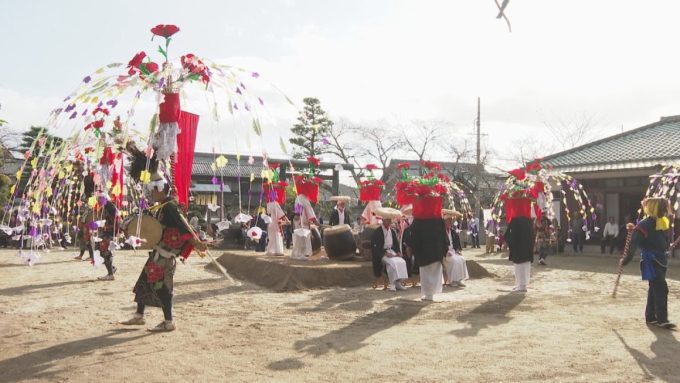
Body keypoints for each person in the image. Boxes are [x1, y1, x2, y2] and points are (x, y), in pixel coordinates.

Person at [121, 172, 207, 332]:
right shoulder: (164, 206)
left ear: (160, 190)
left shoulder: (170, 207)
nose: (151, 195)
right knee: (144, 283)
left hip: (165, 256)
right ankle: (139, 316)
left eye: (152, 191)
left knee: (163, 288)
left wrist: (196, 242)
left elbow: (183, 227)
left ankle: (169, 322)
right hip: (158, 253)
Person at [621, 198, 675, 330]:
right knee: (661, 288)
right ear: (655, 208)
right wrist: (626, 260)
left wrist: (666, 248)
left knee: (654, 288)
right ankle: (662, 319)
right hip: (651, 261)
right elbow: (634, 244)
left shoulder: (661, 222)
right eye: (662, 208)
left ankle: (651, 316)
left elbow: (662, 240)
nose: (665, 211)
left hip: (660, 260)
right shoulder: (644, 224)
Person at [407, 208, 447, 301]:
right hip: (436, 250)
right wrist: (444, 249)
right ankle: (431, 294)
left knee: (426, 273)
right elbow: (443, 236)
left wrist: (410, 246)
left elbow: (413, 234)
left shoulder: (419, 220)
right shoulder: (439, 219)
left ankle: (428, 294)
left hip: (424, 251)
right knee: (434, 272)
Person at [371, 208, 408, 292]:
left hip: (392, 251)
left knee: (402, 261)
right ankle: (392, 283)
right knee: (392, 264)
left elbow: (395, 244)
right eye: (387, 221)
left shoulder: (392, 231)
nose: (389, 222)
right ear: (383, 221)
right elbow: (375, 246)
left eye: (390, 221)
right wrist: (384, 253)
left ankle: (398, 282)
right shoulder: (377, 232)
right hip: (382, 253)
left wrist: (398, 252)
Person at [505, 198, 535, 292]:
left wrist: (507, 243)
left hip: (518, 246)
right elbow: (532, 235)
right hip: (527, 246)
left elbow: (510, 234)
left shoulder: (515, 220)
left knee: (518, 265)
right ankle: (522, 284)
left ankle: (521, 285)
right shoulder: (529, 221)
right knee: (526, 264)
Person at [442, 209, 469, 287]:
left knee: (461, 259)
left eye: (451, 220)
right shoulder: (441, 232)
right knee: (454, 261)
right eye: (448, 220)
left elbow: (457, 244)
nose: (450, 222)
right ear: (445, 221)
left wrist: (458, 250)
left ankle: (460, 279)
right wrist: (446, 252)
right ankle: (453, 280)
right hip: (445, 253)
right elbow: (441, 244)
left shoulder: (453, 232)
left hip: (453, 252)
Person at [97, 195, 121, 281]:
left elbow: (116, 221)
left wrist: (108, 226)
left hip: (110, 233)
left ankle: (110, 274)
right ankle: (112, 269)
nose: (98, 201)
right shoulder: (107, 207)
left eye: (99, 199)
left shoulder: (111, 207)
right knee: (103, 252)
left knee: (106, 252)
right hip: (108, 232)